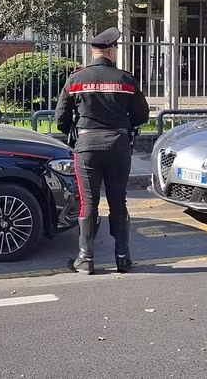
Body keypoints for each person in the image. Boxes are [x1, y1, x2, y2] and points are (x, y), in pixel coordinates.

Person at [55, 27, 150, 275]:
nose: (116, 52)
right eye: (116, 49)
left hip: (86, 147)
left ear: (93, 52)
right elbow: (141, 116)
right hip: (118, 147)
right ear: (110, 51)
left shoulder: (76, 79)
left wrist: (74, 132)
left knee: (88, 202)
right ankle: (122, 257)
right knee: (118, 201)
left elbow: (60, 119)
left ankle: (86, 260)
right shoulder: (126, 80)